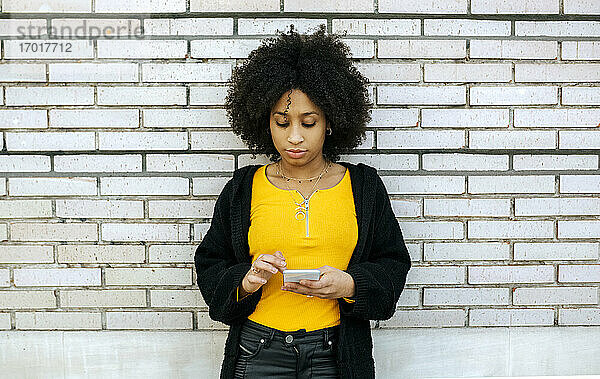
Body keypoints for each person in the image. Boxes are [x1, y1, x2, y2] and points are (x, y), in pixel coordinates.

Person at [194, 24, 412, 379]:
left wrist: (351, 286)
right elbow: (210, 264)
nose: (294, 137)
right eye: (282, 122)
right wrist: (246, 281)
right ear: (266, 123)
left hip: (336, 357)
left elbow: (393, 263)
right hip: (257, 353)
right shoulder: (243, 188)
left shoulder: (364, 187)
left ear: (329, 122)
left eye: (308, 122)